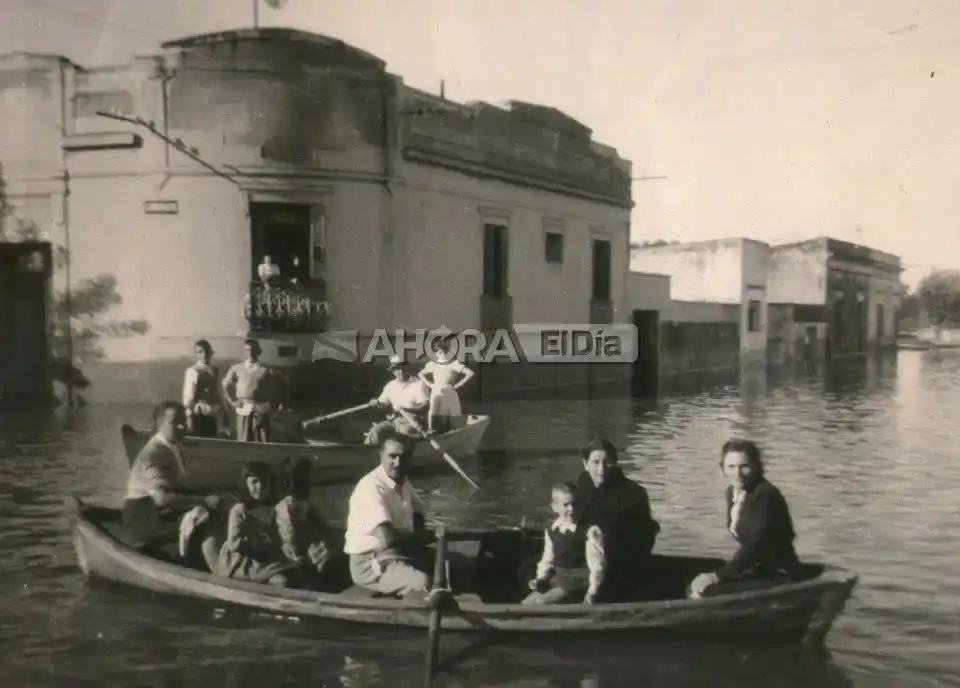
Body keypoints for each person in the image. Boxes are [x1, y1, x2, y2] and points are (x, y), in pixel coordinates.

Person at [688, 439, 804, 598]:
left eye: (744, 466)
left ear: (757, 466)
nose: (738, 474)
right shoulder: (733, 492)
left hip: (779, 574)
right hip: (755, 570)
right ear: (722, 468)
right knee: (692, 580)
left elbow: (757, 544)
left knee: (705, 592)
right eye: (731, 467)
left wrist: (717, 576)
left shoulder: (765, 494)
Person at [122, 401, 222, 571]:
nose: (183, 426)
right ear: (159, 424)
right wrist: (202, 501)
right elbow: (162, 498)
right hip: (142, 514)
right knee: (204, 518)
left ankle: (198, 557)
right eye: (175, 422)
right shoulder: (153, 454)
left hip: (157, 508)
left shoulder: (172, 447)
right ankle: (218, 573)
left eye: (184, 421)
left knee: (216, 510)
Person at [343, 430, 432, 597]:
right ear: (381, 456)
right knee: (422, 583)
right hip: (370, 562)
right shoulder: (371, 487)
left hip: (399, 551)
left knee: (453, 565)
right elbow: (387, 538)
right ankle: (413, 619)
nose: (397, 463)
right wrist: (417, 537)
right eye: (392, 456)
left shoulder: (403, 482)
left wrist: (420, 534)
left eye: (403, 457)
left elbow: (418, 513)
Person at [571, 437, 660, 602]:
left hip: (618, 569)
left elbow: (645, 539)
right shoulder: (580, 491)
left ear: (616, 462)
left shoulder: (633, 494)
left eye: (607, 462)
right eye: (595, 462)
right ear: (585, 464)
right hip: (581, 565)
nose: (601, 469)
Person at [219, 461, 299, 586]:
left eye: (264, 482)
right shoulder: (240, 510)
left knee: (298, 571)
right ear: (245, 484)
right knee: (282, 582)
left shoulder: (271, 510)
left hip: (265, 557)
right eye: (254, 482)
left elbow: (276, 535)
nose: (260, 487)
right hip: (243, 561)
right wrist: (254, 542)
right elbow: (233, 544)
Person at [523, 482, 605, 605]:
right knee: (526, 604)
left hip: (577, 584)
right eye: (566, 505)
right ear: (554, 507)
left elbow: (596, 566)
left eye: (574, 504)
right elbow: (547, 559)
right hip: (557, 579)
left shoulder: (589, 531)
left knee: (541, 602)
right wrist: (540, 578)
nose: (571, 509)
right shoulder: (552, 530)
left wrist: (592, 592)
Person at [275, 458, 336, 588]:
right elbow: (289, 538)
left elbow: (322, 525)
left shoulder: (304, 505)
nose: (309, 486)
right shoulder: (287, 506)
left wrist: (326, 536)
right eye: (305, 481)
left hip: (307, 548)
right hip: (293, 554)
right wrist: (312, 538)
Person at [222, 339, 281, 443]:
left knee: (261, 439)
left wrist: (269, 405)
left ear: (258, 352)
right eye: (247, 350)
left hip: (260, 409)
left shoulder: (266, 370)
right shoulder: (236, 369)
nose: (250, 353)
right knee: (244, 439)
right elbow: (226, 385)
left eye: (253, 350)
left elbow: (275, 389)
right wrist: (233, 402)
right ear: (244, 352)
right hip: (243, 408)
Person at [366, 354, 431, 442]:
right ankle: (369, 452)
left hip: (413, 421)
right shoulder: (390, 385)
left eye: (403, 367)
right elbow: (383, 405)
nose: (401, 371)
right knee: (376, 431)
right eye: (397, 369)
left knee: (402, 437)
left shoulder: (419, 384)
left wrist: (406, 409)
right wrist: (376, 403)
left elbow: (425, 407)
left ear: (408, 368)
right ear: (393, 371)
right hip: (394, 421)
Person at [418, 339, 475, 435]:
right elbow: (421, 374)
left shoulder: (453, 363)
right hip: (436, 390)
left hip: (449, 390)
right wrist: (430, 385)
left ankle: (454, 431)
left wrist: (457, 385)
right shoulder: (433, 364)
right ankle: (433, 430)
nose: (440, 353)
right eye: (438, 351)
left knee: (452, 413)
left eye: (442, 351)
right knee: (434, 412)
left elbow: (470, 373)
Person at [182, 339, 227, 437]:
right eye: (200, 352)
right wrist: (189, 416)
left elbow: (221, 391)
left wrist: (224, 411)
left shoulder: (216, 371)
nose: (204, 354)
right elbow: (188, 397)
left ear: (211, 353)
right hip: (199, 414)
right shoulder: (192, 371)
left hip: (215, 414)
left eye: (206, 351)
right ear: (196, 354)